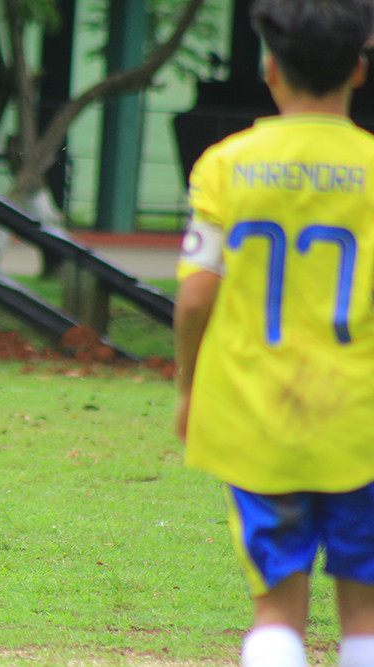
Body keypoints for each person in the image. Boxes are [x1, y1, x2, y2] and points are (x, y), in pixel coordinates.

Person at [173, 1, 374, 665]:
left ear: (270, 69)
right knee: (365, 613)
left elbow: (196, 294)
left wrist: (187, 385)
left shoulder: (226, 165)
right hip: (362, 417)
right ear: (359, 70)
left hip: (260, 412)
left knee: (276, 608)